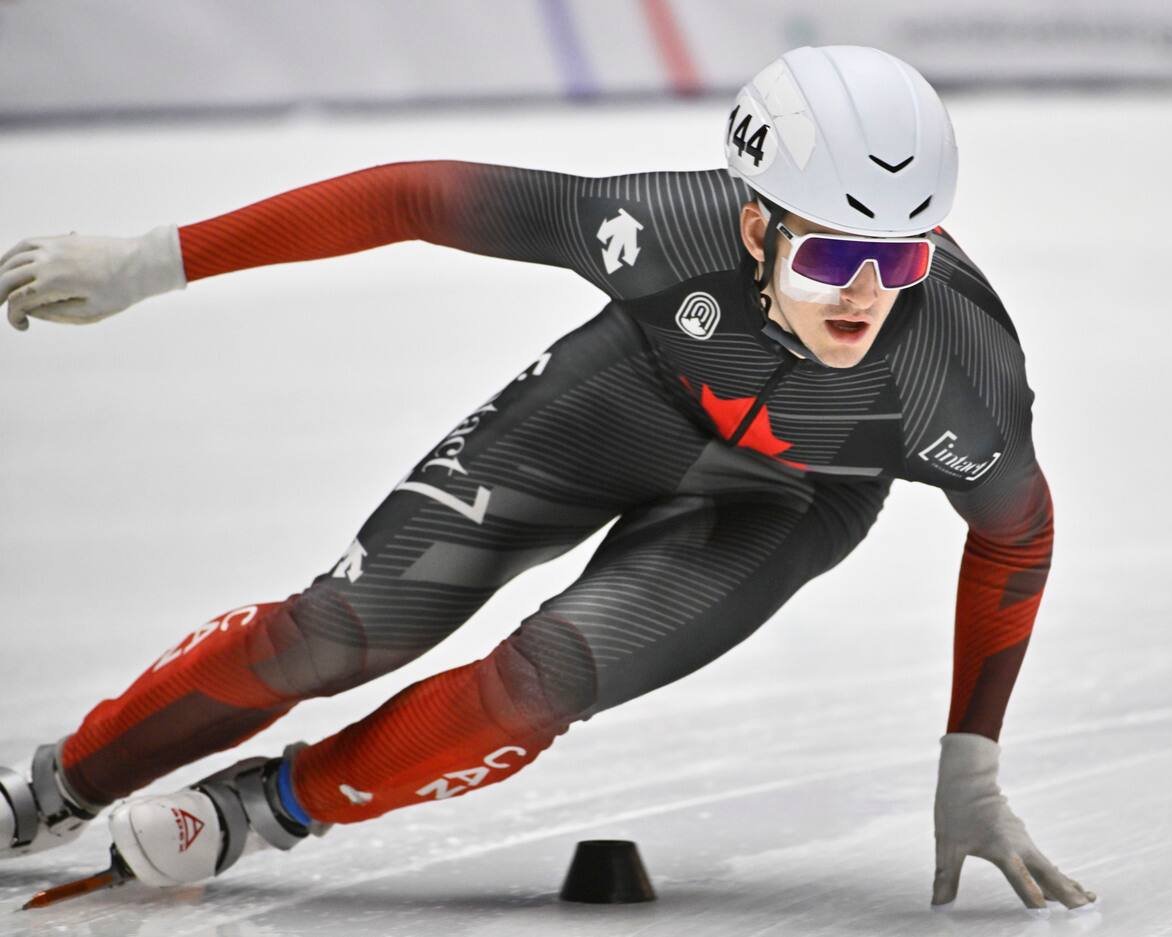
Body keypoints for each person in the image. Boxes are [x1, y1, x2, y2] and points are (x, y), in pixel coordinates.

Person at [0, 45, 1096, 912]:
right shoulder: (662, 228)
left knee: (539, 678)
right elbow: (418, 197)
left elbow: (1016, 535)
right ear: (753, 222)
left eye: (899, 258)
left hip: (793, 496)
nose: (865, 295)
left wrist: (972, 763)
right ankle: (60, 785)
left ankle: (273, 807)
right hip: (625, 397)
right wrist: (153, 259)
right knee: (332, 632)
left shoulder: (957, 373)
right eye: (827, 258)